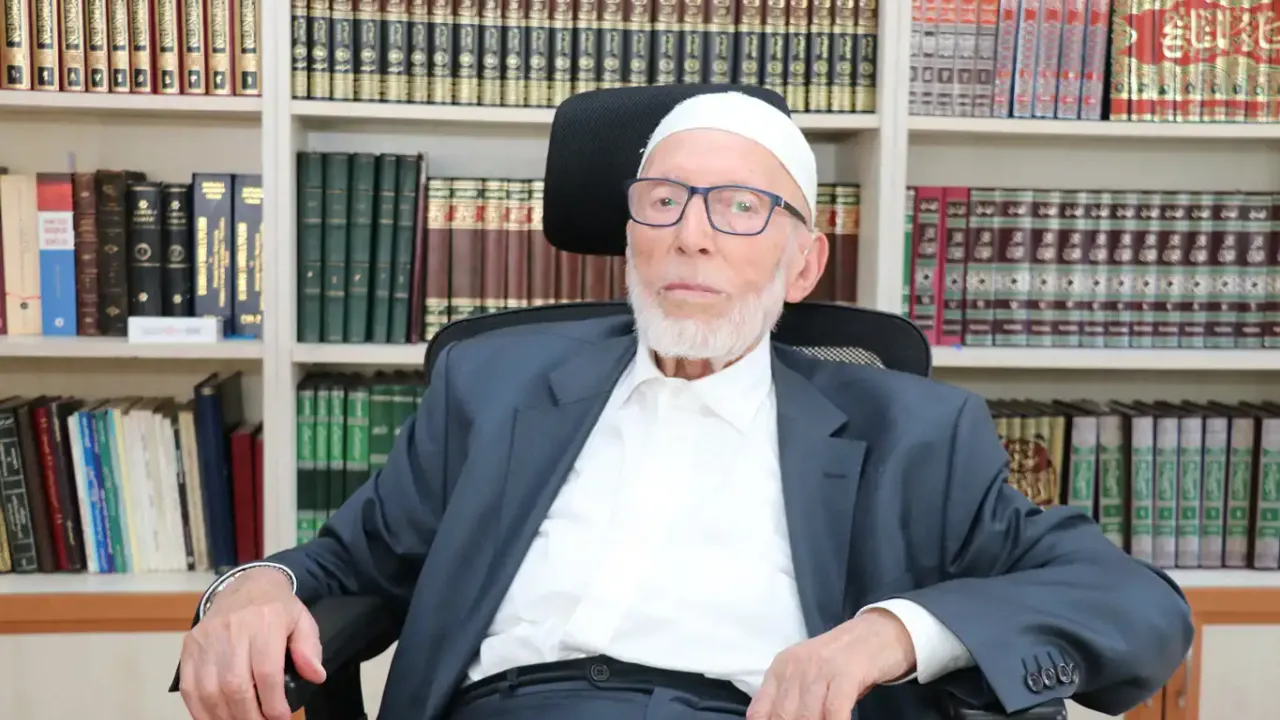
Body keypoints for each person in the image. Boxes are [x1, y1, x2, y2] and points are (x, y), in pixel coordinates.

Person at [175, 90, 1194, 720]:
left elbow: (1138, 608)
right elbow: (344, 566)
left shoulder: (914, 433)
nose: (690, 235)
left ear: (802, 263)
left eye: (739, 207)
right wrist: (250, 588)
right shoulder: (492, 386)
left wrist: (888, 634)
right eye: (661, 201)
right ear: (630, 237)